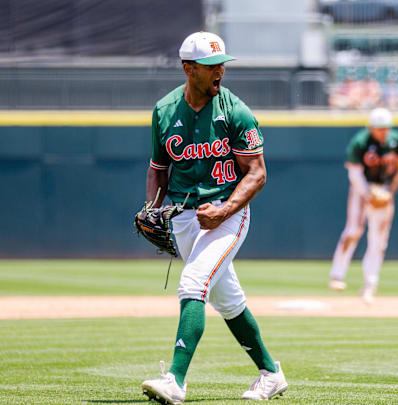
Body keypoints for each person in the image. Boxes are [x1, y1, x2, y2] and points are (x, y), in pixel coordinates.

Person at [139, 31, 287, 404]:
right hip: (184, 216)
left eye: (222, 64)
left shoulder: (235, 110)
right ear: (189, 69)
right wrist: (153, 208)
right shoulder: (164, 110)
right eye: (211, 66)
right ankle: (271, 374)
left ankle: (175, 380)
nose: (220, 71)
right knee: (228, 300)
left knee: (193, 284)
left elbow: (257, 173)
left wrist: (224, 211)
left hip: (228, 214)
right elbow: (158, 167)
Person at [328, 108, 398, 304]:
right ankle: (337, 275)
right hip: (361, 189)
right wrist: (367, 194)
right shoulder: (360, 142)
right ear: (371, 127)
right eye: (379, 128)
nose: (383, 132)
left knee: (378, 240)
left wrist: (390, 193)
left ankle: (370, 285)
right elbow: (354, 174)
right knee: (353, 230)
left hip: (384, 189)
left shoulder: (396, 141)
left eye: (386, 128)